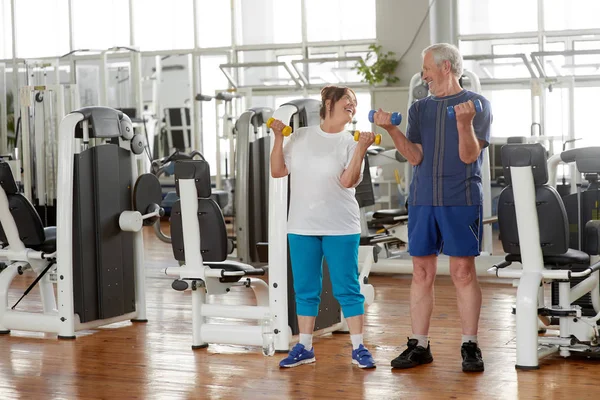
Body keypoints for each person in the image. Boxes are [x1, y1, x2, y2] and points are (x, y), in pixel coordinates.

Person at [372, 43, 492, 373]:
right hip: (424, 197)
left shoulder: (477, 105)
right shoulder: (419, 109)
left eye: (426, 68)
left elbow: (469, 156)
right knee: (422, 272)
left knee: (462, 272)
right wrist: (392, 129)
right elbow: (415, 156)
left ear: (445, 68)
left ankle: (470, 344)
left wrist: (464, 123)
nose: (423, 74)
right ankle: (419, 345)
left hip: (461, 197)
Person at [269, 85, 377, 369]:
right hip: (302, 225)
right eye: (347, 100)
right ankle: (304, 347)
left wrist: (361, 150)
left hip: (340, 225)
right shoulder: (301, 136)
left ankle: (358, 348)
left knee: (347, 288)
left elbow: (348, 181)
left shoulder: (351, 141)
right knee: (305, 288)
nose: (353, 105)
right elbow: (278, 171)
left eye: (355, 102)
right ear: (329, 102)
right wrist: (278, 138)